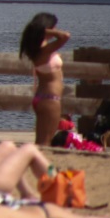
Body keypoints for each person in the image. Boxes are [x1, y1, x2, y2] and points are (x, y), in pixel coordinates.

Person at [21, 12, 71, 146]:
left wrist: (40, 31)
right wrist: (42, 30)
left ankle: (36, 164)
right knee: (45, 142)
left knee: (41, 141)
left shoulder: (39, 48)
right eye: (53, 28)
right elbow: (65, 36)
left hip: (43, 98)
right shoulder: (42, 50)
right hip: (50, 99)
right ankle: (42, 166)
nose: (55, 31)